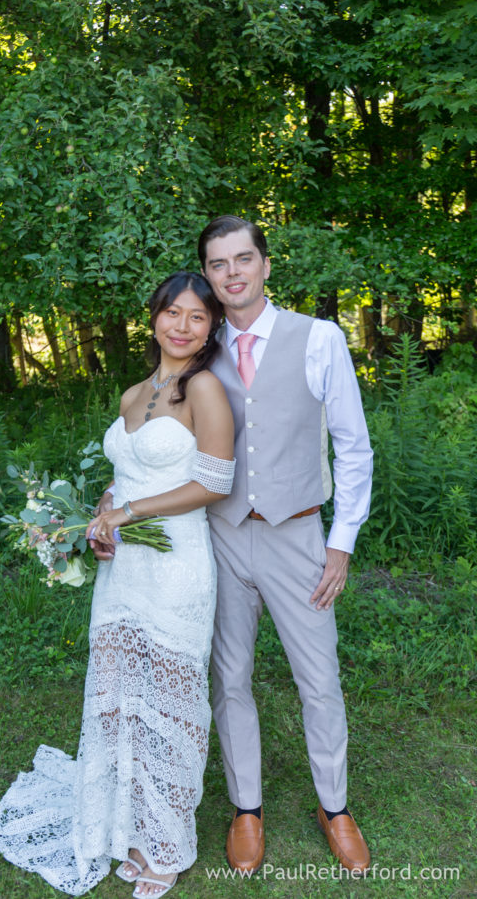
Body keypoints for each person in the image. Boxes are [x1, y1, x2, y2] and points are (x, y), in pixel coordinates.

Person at [0, 271, 235, 898]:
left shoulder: (204, 389)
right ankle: (127, 824)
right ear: (152, 317)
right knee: (123, 696)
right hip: (122, 567)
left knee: (170, 704)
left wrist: (128, 515)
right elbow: (125, 476)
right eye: (171, 313)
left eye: (196, 317)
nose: (181, 326)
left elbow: (214, 483)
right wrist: (98, 519)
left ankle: (166, 844)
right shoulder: (134, 392)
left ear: (211, 328)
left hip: (176, 565)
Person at [198, 215, 373, 874]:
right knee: (229, 677)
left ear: (266, 265)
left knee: (319, 680)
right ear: (209, 276)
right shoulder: (200, 343)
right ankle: (247, 808)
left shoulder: (319, 339)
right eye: (219, 264)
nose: (233, 272)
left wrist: (340, 544)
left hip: (299, 536)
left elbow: (354, 450)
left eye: (244, 258)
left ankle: (335, 808)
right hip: (219, 535)